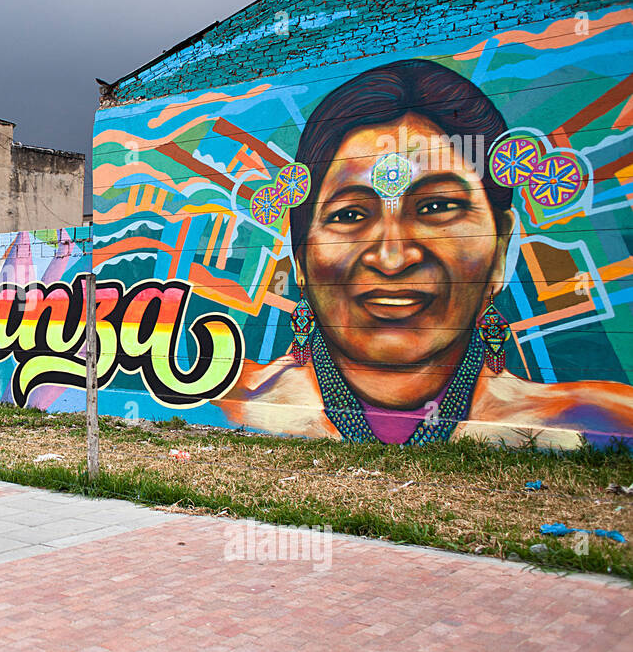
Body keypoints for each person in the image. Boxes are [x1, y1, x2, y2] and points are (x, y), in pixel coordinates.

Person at [214, 59, 633, 448]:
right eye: (351, 214)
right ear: (300, 253)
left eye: (437, 207)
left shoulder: (595, 423)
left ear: (502, 245)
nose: (392, 258)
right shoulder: (227, 404)